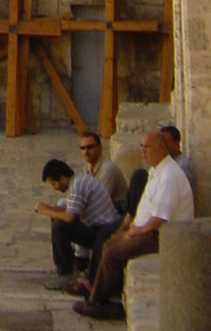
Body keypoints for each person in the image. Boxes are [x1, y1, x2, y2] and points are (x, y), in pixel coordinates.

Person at [72, 128, 195, 320]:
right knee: (109, 243)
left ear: (162, 149)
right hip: (148, 230)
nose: (143, 151)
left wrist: (136, 232)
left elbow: (159, 219)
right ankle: (102, 298)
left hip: (162, 236)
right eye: (142, 146)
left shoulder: (170, 175)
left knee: (113, 252)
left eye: (148, 147)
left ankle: (99, 303)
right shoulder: (158, 170)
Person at [35, 157, 121, 288]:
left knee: (60, 226)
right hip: (96, 228)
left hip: (102, 232)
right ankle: (65, 268)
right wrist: (48, 208)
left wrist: (45, 211)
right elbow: (68, 207)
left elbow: (69, 217)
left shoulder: (77, 186)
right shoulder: (77, 181)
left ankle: (66, 273)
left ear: (63, 179)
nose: (54, 188)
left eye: (54, 184)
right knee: (58, 220)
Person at [77, 131, 128, 209]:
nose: (86, 152)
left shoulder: (108, 169)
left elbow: (101, 201)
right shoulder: (88, 167)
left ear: (100, 148)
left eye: (90, 147)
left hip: (116, 210)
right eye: (83, 148)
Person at [160, 123, 197, 194]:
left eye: (166, 142)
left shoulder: (183, 165)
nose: (163, 146)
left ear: (176, 143)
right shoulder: (165, 163)